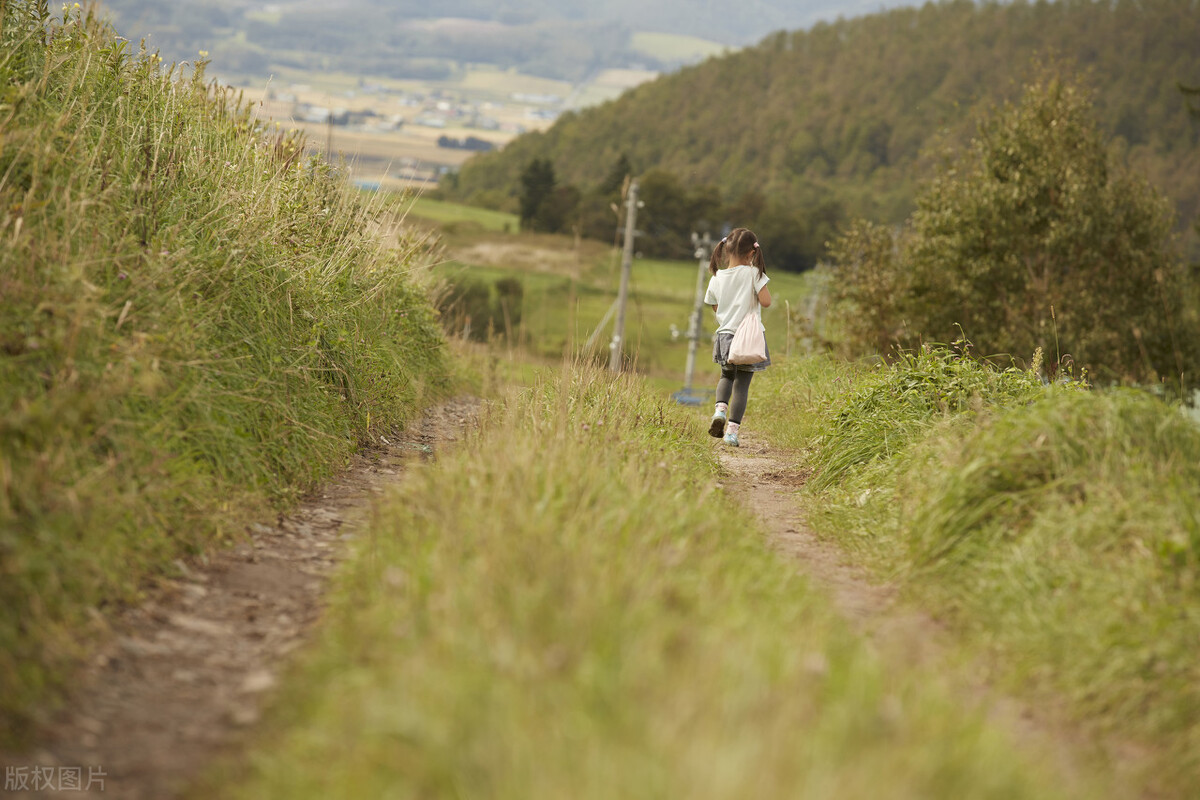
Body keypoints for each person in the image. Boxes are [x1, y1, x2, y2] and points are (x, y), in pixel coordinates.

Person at [703, 227, 771, 447]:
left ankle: (719, 410)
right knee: (742, 385)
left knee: (726, 377)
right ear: (752, 253)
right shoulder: (754, 274)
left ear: (726, 250)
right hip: (747, 338)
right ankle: (732, 433)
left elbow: (715, 307)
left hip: (725, 336)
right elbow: (766, 301)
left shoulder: (717, 277)